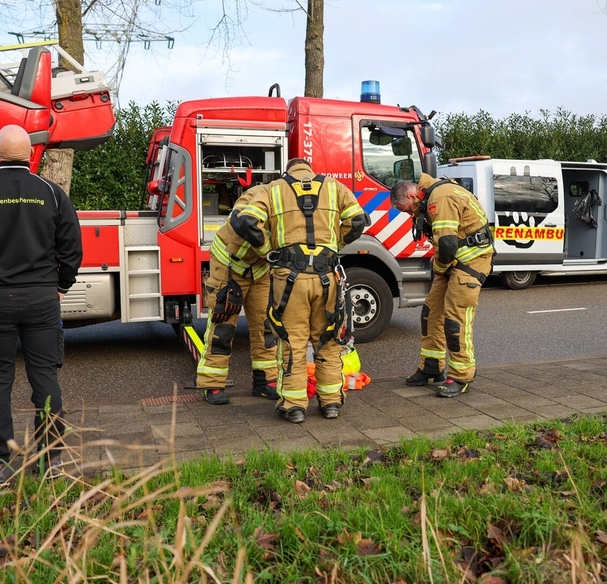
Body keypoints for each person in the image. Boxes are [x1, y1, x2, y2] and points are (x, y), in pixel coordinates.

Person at [0, 125, 83, 487]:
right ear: (30, 155)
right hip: (41, 300)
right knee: (45, 376)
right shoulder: (51, 193)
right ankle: (52, 459)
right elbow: (72, 248)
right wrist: (60, 285)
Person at [232, 158, 369, 423]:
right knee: (328, 340)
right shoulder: (334, 187)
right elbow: (358, 220)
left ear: (288, 170)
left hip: (289, 278)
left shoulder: (273, 189)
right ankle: (330, 402)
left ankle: (294, 406)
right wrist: (332, 247)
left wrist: (267, 252)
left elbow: (246, 222)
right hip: (326, 277)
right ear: (309, 169)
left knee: (292, 341)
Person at [391, 174, 493, 397]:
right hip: (453, 262)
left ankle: (461, 376)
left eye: (407, 209)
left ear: (411, 194)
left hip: (470, 261)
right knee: (430, 313)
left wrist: (438, 268)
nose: (409, 214)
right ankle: (431, 366)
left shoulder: (441, 197)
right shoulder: (428, 198)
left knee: (455, 321)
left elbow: (446, 245)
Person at [197, 183, 278, 405]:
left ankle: (265, 382)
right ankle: (212, 384)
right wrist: (270, 253)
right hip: (229, 267)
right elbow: (243, 223)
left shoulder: (291, 200)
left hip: (259, 270)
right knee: (223, 326)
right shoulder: (261, 195)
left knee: (266, 326)